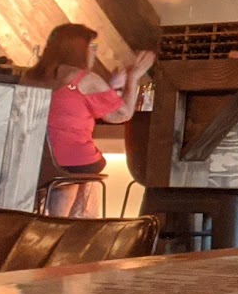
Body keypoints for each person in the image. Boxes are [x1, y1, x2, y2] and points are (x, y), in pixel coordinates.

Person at [22, 23, 156, 216]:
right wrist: (133, 78)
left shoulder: (28, 77)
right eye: (92, 47)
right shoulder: (85, 79)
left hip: (32, 160)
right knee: (88, 166)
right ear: (78, 50)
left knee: (69, 174)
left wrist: (110, 87)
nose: (94, 52)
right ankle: (74, 223)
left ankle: (54, 218)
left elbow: (65, 107)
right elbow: (123, 114)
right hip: (70, 161)